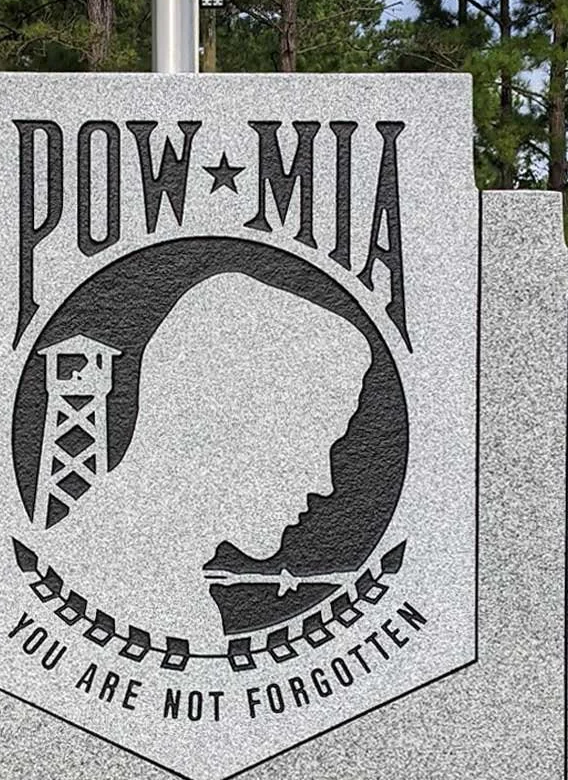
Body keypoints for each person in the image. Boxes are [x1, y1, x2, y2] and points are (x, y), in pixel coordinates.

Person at [43, 270, 370, 646]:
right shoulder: (104, 583)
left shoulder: (176, 600)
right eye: (312, 444)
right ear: (223, 426)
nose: (324, 483)